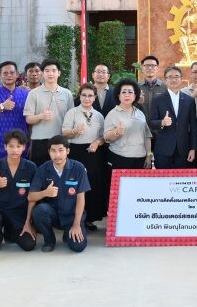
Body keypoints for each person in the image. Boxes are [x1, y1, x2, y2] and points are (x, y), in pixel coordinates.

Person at [0, 130, 37, 253]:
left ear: (24, 148)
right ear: (5, 147)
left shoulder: (31, 167)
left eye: (18, 146)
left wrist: (29, 222)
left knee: (29, 245)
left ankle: (10, 232)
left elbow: (34, 196)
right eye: (11, 146)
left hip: (18, 212)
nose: (15, 150)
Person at [29, 135, 90, 253]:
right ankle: (49, 240)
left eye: (61, 150)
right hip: (53, 214)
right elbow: (31, 196)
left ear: (68, 151)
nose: (57, 155)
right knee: (39, 210)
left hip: (72, 216)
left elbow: (81, 198)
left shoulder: (78, 168)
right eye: (53, 151)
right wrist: (45, 193)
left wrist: (76, 224)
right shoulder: (43, 169)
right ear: (49, 152)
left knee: (78, 247)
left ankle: (69, 233)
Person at [62, 83, 107, 230]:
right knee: (75, 185)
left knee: (92, 184)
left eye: (90, 95)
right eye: (84, 95)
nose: (87, 98)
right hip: (76, 151)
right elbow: (64, 133)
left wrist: (97, 142)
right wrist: (75, 131)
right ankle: (74, 218)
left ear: (94, 98)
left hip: (93, 152)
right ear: (79, 97)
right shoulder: (72, 112)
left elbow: (103, 137)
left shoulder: (99, 115)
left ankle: (90, 218)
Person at [24, 58, 75, 166]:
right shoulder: (33, 93)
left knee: (60, 173)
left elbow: (71, 118)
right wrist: (41, 116)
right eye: (47, 71)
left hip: (61, 140)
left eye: (53, 70)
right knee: (39, 173)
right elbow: (28, 119)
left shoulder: (67, 93)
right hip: (39, 141)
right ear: (42, 73)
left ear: (59, 73)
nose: (50, 74)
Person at [149, 67, 197, 169]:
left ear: (181, 79)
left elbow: (193, 126)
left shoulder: (189, 100)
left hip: (184, 149)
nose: (173, 80)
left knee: (182, 180)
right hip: (163, 149)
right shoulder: (157, 100)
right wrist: (162, 122)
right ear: (165, 80)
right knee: (163, 181)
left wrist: (193, 149)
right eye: (170, 77)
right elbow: (151, 123)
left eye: (176, 77)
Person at [0, 61, 30, 160]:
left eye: (12, 73)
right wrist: (1, 107)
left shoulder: (26, 94)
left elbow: (30, 120)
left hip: (21, 144)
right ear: (0, 75)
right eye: (5, 73)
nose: (9, 75)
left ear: (17, 74)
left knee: (22, 174)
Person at [104, 78, 153, 170]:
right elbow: (106, 138)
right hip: (119, 158)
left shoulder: (140, 113)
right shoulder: (112, 114)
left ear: (135, 96)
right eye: (124, 92)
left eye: (130, 92)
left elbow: (147, 136)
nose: (127, 95)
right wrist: (116, 132)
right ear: (118, 96)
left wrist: (149, 155)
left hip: (140, 159)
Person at [138, 55, 166, 121]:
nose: (150, 68)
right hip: (142, 125)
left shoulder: (165, 87)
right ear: (142, 68)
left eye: (153, 65)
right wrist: (138, 103)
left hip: (160, 126)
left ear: (157, 68)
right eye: (147, 65)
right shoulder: (136, 87)